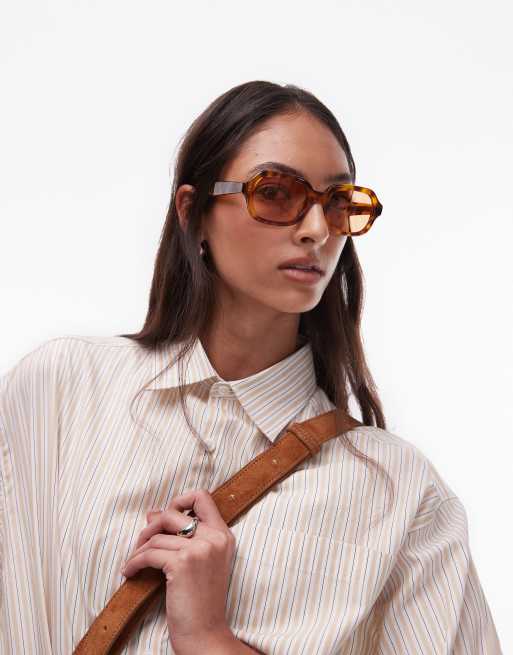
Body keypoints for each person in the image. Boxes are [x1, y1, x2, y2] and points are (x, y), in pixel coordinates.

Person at [0, 81, 503, 654]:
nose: (317, 230)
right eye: (277, 193)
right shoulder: (63, 390)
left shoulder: (400, 494)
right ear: (193, 213)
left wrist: (208, 637)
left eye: (337, 204)